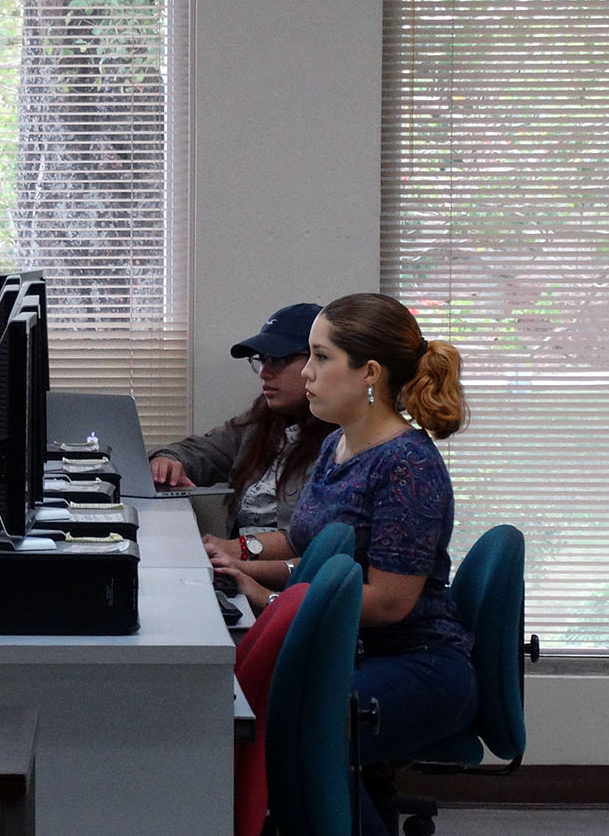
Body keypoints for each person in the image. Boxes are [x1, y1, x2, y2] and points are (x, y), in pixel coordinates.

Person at [205, 292, 477, 836]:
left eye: (321, 357)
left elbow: (390, 602)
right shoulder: (338, 445)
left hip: (416, 664)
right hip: (349, 650)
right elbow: (311, 550)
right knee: (277, 720)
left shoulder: (407, 466)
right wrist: (238, 558)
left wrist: (273, 602)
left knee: (297, 731)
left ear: (369, 373)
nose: (306, 372)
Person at [148, 302, 335, 538]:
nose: (264, 372)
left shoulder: (342, 440)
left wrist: (241, 552)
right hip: (237, 555)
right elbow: (200, 451)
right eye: (262, 359)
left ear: (319, 360)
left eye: (279, 360)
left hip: (287, 561)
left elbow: (316, 536)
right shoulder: (260, 423)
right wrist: (166, 460)